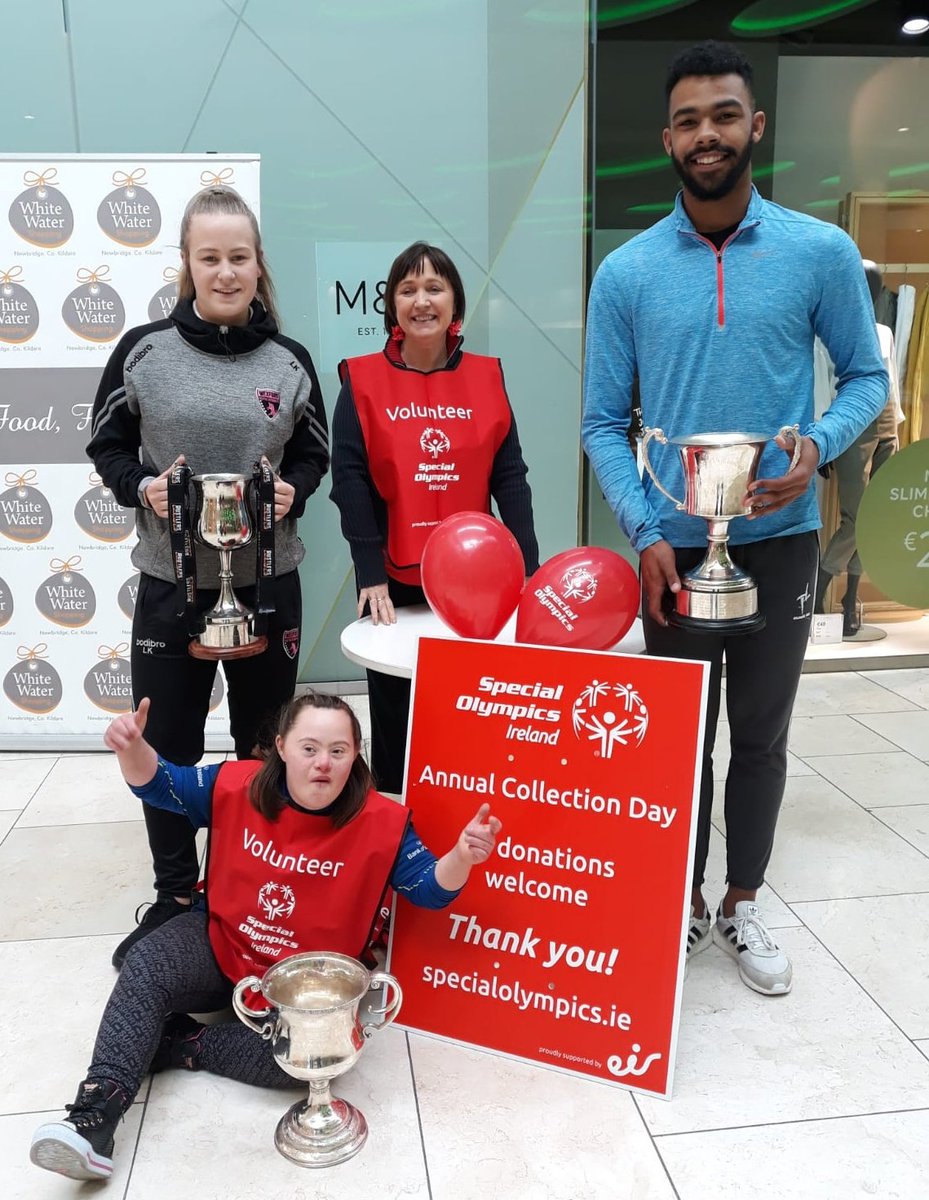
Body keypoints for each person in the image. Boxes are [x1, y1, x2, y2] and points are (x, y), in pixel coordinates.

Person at [582, 41, 888, 996]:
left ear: (755, 127)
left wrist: (814, 446)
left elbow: (867, 378)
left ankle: (741, 902)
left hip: (782, 545)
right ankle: (674, 904)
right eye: (687, 120)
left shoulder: (818, 251)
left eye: (722, 115)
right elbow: (601, 421)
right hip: (674, 547)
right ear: (665, 137)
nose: (704, 134)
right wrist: (642, 532)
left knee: (758, 735)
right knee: (673, 741)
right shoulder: (625, 273)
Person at [30, 691, 501, 1183]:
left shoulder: (382, 822)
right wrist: (131, 746)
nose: (323, 763)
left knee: (306, 1063)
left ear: (355, 755)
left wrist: (462, 858)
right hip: (222, 943)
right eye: (309, 747)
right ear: (280, 746)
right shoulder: (235, 784)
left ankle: (183, 1042)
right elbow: (162, 784)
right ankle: (93, 1118)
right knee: (146, 963)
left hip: (304, 987)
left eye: (338, 751)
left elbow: (426, 888)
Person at [87, 186, 330, 968]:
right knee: (168, 739)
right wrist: (142, 488)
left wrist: (295, 487)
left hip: (267, 580)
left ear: (259, 264)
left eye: (239, 256)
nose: (225, 272)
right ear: (187, 265)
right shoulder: (143, 351)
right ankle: (175, 893)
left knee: (266, 741)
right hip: (170, 581)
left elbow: (312, 451)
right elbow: (108, 446)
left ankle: (262, 876)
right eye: (209, 257)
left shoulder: (288, 361)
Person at [331, 242, 539, 794]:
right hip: (393, 582)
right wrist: (368, 569)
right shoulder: (362, 379)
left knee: (470, 712)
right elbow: (349, 482)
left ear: (455, 304)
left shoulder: (488, 377)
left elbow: (510, 479)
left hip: (477, 586)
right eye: (407, 289)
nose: (421, 300)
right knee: (396, 718)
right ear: (391, 307)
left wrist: (530, 574)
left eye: (434, 287)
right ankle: (398, 836)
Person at [815, 260, 902, 636]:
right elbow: (822, 382)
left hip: (886, 422)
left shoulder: (883, 331)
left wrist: (898, 422)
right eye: (867, 283)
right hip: (851, 426)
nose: (872, 290)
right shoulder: (830, 333)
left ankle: (850, 599)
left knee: (876, 515)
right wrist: (822, 439)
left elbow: (891, 378)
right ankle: (819, 588)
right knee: (857, 517)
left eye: (876, 285)